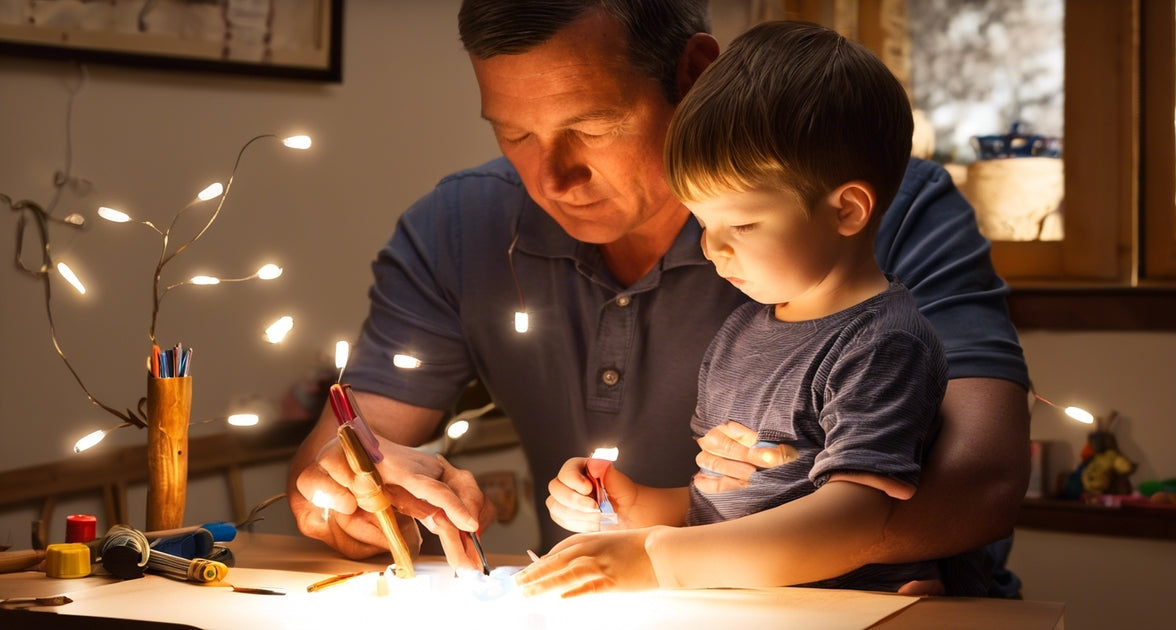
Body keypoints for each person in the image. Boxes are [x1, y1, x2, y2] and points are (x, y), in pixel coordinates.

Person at [286, 0, 1030, 595]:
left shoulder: (875, 219)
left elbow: (985, 480)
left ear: (694, 73)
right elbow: (342, 453)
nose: (552, 178)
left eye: (593, 126)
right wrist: (354, 491)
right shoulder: (458, 228)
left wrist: (663, 553)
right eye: (513, 134)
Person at [515, 20, 947, 596]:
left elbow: (855, 521)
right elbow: (722, 505)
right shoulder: (742, 331)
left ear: (846, 210)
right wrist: (635, 505)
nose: (710, 247)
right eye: (701, 222)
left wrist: (657, 560)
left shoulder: (880, 345)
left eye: (741, 223)